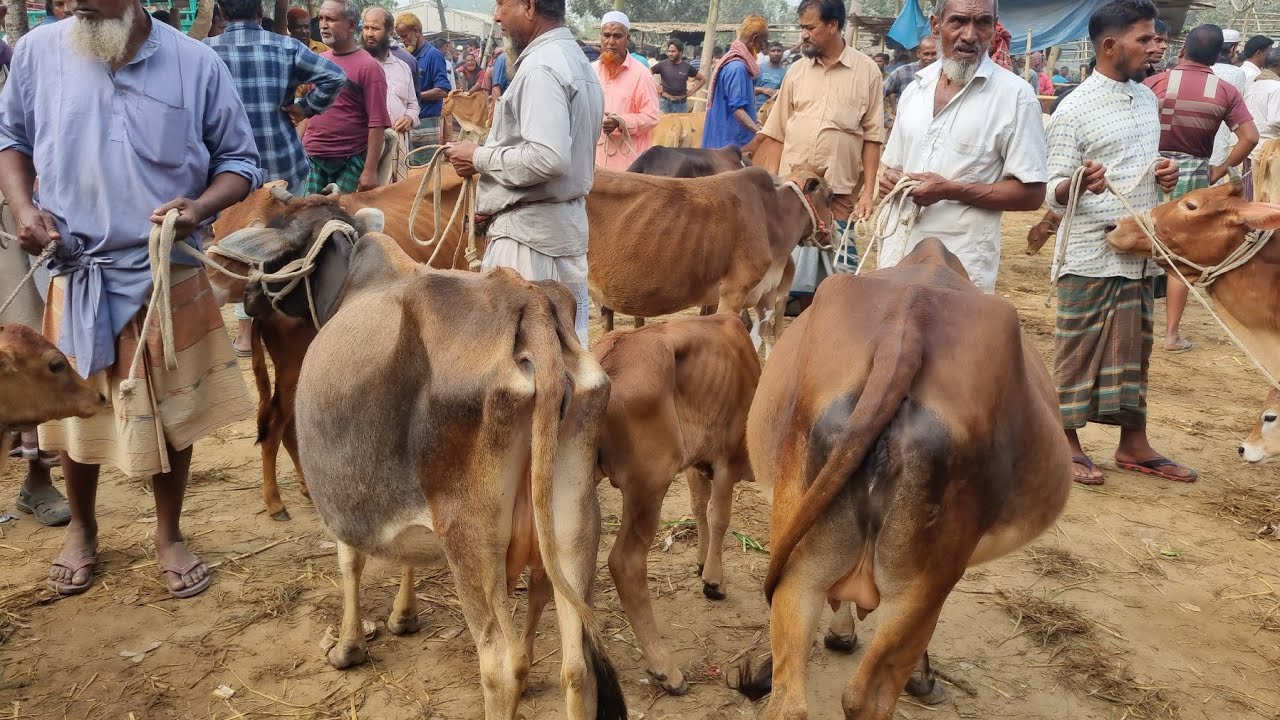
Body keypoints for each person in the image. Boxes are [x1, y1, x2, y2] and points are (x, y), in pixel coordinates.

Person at [0, 0, 262, 596]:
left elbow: (240, 164)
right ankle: (84, 530)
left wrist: (197, 208)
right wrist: (23, 206)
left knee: (174, 415)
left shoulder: (197, 62)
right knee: (70, 410)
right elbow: (10, 139)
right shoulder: (39, 52)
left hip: (166, 271)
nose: (72, 3)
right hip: (77, 267)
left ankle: (169, 534)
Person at [1045, 0, 1194, 486]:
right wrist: (1078, 184)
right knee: (1078, 348)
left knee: (1134, 347)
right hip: (1089, 251)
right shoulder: (1074, 109)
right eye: (1145, 39)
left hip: (1138, 249)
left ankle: (1134, 443)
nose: (1156, 46)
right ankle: (1063, 443)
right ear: (1111, 46)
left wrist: (1163, 174)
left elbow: (1141, 166)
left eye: (1155, 38)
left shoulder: (1147, 98)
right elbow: (1052, 190)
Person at [445, 0, 602, 347]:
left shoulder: (540, 68)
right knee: (564, 360)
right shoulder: (575, 60)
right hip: (559, 232)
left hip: (528, 244)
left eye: (502, 4)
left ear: (529, 7)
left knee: (518, 363)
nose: (496, 15)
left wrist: (479, 157)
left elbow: (548, 158)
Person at [878, 0, 1046, 292]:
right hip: (897, 255)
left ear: (994, 28)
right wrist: (892, 181)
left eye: (982, 22)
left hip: (960, 268)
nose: (970, 35)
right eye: (958, 21)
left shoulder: (1016, 96)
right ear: (935, 25)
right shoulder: (915, 89)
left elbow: (1031, 195)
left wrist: (949, 190)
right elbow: (894, 166)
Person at [206, 0, 343, 355]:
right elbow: (334, 76)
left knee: (239, 251)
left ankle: (245, 332)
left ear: (221, 10)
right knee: (289, 247)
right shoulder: (287, 47)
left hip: (229, 176)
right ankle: (293, 322)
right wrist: (304, 109)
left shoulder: (204, 52)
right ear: (259, 12)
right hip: (284, 167)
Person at [1145, 25, 1258, 352]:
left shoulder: (1154, 83)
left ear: (1183, 50)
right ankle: (1171, 336)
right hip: (1194, 174)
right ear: (1222, 54)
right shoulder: (1225, 91)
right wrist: (1220, 169)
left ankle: (1136, 320)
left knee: (1140, 239)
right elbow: (1249, 137)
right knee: (1180, 255)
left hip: (1149, 170)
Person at [755, 0, 883, 272]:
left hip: (837, 191)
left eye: (809, 27)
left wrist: (868, 192)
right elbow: (776, 132)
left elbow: (872, 137)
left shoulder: (867, 72)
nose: (803, 34)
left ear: (833, 25)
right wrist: (771, 184)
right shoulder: (796, 71)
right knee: (784, 265)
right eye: (802, 27)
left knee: (838, 272)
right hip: (793, 190)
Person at [302, 0, 391, 193]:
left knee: (341, 218)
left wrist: (370, 170)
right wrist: (297, 151)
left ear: (351, 25)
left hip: (350, 160)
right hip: (313, 158)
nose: (323, 25)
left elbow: (377, 122)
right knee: (310, 217)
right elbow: (308, 112)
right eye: (322, 19)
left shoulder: (369, 67)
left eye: (331, 19)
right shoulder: (319, 62)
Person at [592, 11, 659, 171]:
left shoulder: (642, 75)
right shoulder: (590, 71)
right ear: (600, 37)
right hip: (592, 162)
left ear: (627, 39)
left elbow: (652, 117)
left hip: (628, 167)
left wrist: (621, 122)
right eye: (606, 35)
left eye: (617, 36)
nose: (611, 42)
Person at [362, 8, 417, 184]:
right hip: (365, 144)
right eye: (366, 28)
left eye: (375, 29)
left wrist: (409, 117)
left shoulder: (403, 67)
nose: (369, 34)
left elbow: (413, 104)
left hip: (398, 143)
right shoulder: (358, 65)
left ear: (390, 31)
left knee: (395, 196)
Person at [702, 16, 770, 151]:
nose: (763, 47)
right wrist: (759, 133)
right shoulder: (737, 67)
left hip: (727, 141)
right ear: (754, 39)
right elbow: (737, 109)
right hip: (729, 145)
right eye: (763, 42)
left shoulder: (739, 64)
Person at [394, 13, 451, 151]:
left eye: (405, 36)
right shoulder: (408, 55)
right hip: (408, 121)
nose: (403, 41)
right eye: (400, 37)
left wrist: (415, 96)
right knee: (410, 166)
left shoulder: (433, 55)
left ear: (416, 31)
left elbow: (443, 90)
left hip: (426, 121)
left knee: (424, 168)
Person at [882, 35, 938, 120]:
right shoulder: (903, 72)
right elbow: (877, 95)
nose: (930, 58)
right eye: (926, 54)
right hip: (904, 125)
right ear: (918, 53)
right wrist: (888, 120)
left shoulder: (944, 74)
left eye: (934, 54)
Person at [651, 38, 705, 114]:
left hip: (681, 105)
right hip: (664, 103)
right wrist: (655, 86)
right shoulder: (662, 64)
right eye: (669, 51)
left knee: (681, 125)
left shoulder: (687, 67)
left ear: (680, 52)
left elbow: (703, 79)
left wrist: (692, 91)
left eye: (673, 51)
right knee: (663, 125)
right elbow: (647, 73)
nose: (670, 54)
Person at [1246, 47, 1280, 163]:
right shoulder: (1277, 88)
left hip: (1251, 149)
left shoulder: (1253, 84)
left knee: (1249, 181)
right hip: (1270, 152)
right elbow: (1275, 121)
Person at [754, 41, 788, 106]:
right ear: (768, 53)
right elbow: (748, 89)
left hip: (773, 110)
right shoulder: (758, 68)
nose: (776, 53)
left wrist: (779, 92)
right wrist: (763, 90)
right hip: (755, 108)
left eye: (779, 51)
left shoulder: (784, 73)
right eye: (773, 51)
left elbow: (786, 93)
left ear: (782, 53)